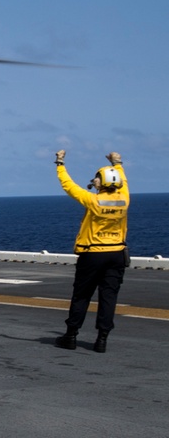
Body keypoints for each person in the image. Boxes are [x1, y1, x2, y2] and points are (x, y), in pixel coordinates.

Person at [53, 150, 130, 353]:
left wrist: (60, 163)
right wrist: (117, 162)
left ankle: (71, 336)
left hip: (93, 254)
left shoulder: (93, 201)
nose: (94, 180)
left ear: (101, 182)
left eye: (97, 178)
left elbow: (68, 186)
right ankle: (102, 340)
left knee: (81, 295)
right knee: (108, 297)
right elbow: (124, 182)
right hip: (117, 254)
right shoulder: (124, 199)